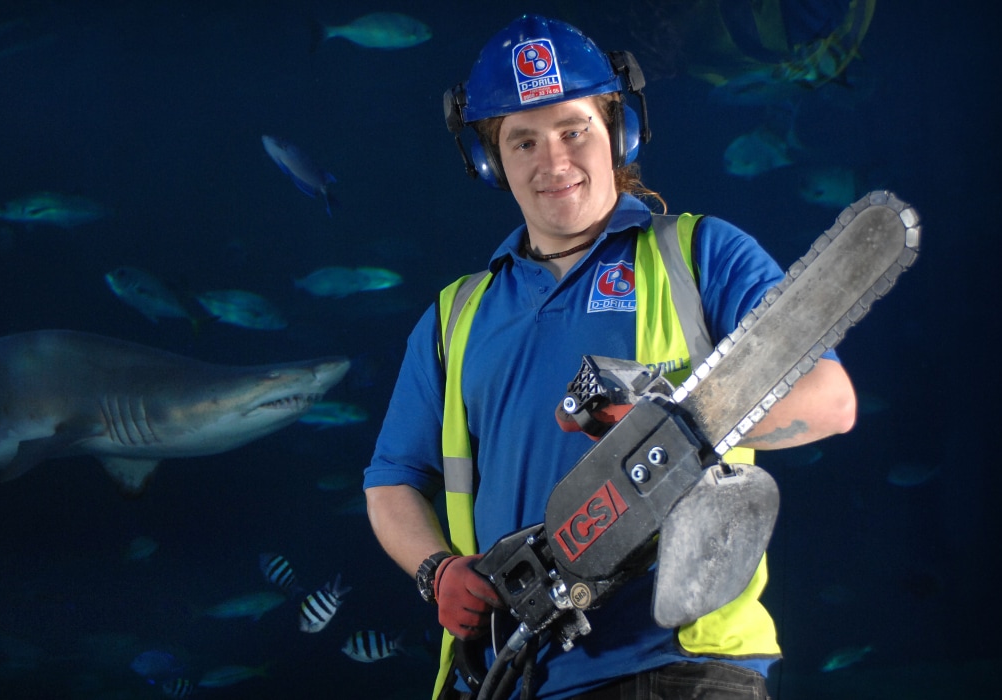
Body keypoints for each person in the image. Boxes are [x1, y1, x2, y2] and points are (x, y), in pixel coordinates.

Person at [363, 14, 856, 700]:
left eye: (574, 129)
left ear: (617, 131)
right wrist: (437, 570)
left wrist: (677, 428)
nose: (553, 160)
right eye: (523, 140)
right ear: (489, 160)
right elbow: (390, 480)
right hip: (509, 677)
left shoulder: (700, 257)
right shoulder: (455, 316)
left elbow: (830, 401)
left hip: (681, 668)